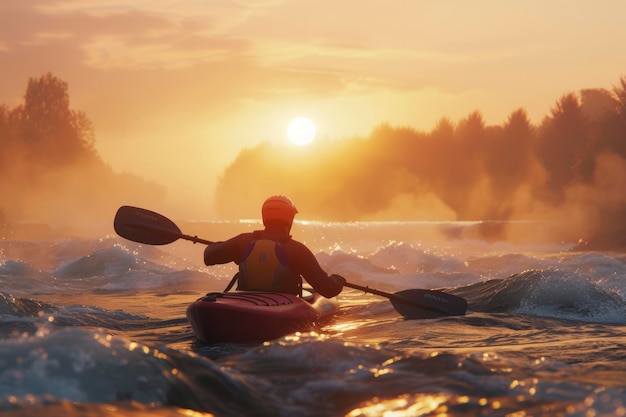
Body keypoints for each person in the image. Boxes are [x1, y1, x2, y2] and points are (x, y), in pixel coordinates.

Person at [203, 195, 345, 298]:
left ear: (265, 217)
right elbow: (328, 290)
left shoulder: (243, 241)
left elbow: (208, 257)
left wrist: (221, 245)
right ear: (289, 219)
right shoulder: (296, 250)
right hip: (281, 304)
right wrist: (338, 280)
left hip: (245, 298)